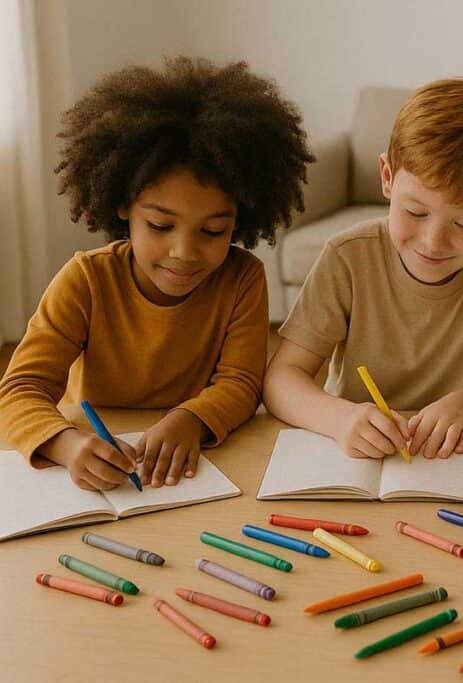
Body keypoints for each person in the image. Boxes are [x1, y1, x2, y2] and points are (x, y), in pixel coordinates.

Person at [0, 57, 313, 490]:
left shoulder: (241, 279)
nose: (184, 253)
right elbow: (20, 389)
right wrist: (67, 444)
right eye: (160, 226)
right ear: (124, 204)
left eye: (213, 230)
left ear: (240, 219)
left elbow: (241, 382)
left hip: (195, 468)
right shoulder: (85, 280)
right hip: (98, 458)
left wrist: (191, 418)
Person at [264, 78, 463, 461]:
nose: (432, 242)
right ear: (388, 177)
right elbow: (281, 379)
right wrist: (339, 418)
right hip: (352, 454)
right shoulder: (347, 256)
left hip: (457, 458)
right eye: (415, 212)